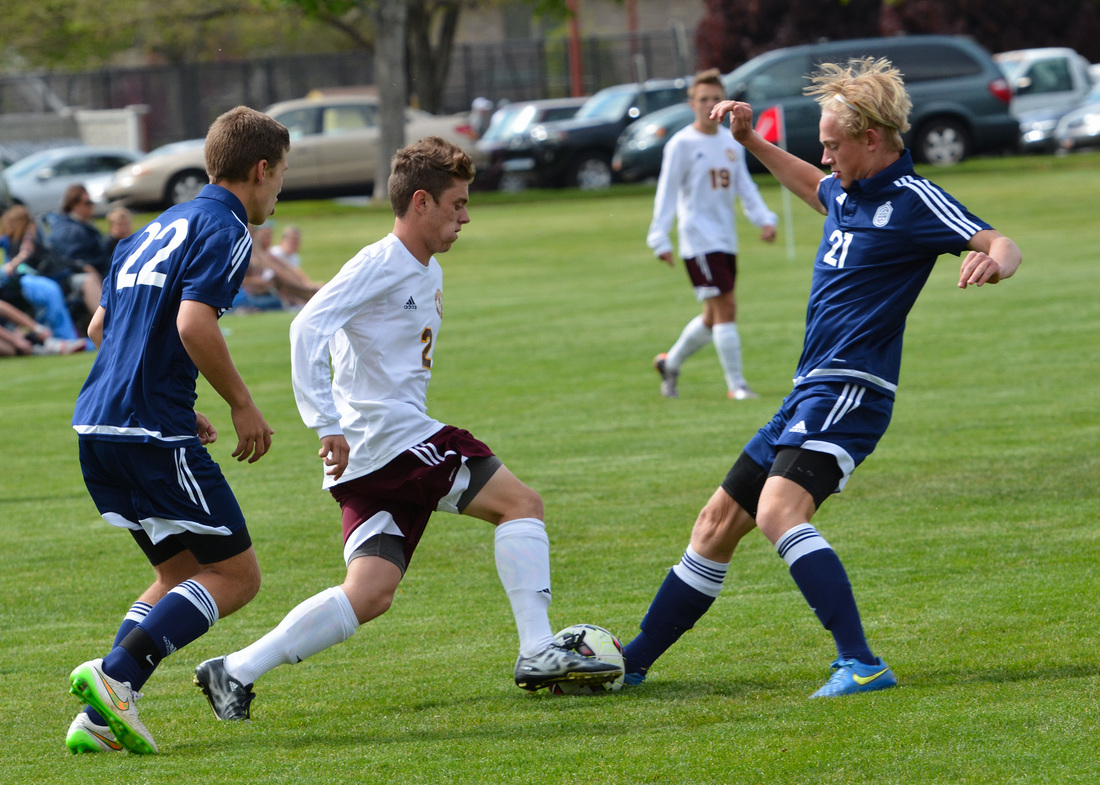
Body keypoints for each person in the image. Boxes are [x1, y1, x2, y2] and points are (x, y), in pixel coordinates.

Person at [621, 58, 1021, 698]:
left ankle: (861, 663)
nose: (825, 157)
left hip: (852, 390)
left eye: (833, 145)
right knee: (715, 522)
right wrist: (751, 142)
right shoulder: (844, 190)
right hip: (809, 389)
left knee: (779, 510)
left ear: (872, 139)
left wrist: (995, 261)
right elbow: (812, 184)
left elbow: (1000, 241)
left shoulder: (913, 200)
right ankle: (631, 663)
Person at [192, 136, 621, 723]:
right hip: (390, 439)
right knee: (521, 504)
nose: (465, 217)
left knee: (370, 592)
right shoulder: (383, 261)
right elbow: (307, 328)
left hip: (373, 455)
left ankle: (235, 670)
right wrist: (326, 422)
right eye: (457, 204)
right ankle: (537, 649)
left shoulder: (425, 268)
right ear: (421, 202)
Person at [65, 105, 290, 755]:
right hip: (150, 434)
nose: (279, 192)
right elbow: (194, 323)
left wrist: (164, 392)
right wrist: (241, 403)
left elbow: (100, 328)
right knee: (237, 576)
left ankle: (101, 718)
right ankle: (116, 676)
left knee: (178, 572)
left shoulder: (152, 228)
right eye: (281, 176)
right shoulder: (228, 227)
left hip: (98, 423)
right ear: (261, 169)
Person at [647, 68, 777, 401]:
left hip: (725, 238)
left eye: (716, 98)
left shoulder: (731, 140)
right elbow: (666, 193)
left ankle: (669, 363)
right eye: (703, 99)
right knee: (726, 306)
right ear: (692, 104)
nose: (710, 104)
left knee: (712, 316)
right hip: (698, 239)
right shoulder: (681, 144)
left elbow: (744, 184)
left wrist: (763, 218)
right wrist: (659, 237)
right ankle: (737, 386)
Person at [0, 205, 102, 333]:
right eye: (31, 221)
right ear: (24, 224)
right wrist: (24, 255)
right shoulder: (20, 246)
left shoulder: (33, 242)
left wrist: (82, 266)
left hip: (60, 277)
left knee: (91, 278)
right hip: (51, 282)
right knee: (88, 281)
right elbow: (23, 271)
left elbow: (59, 258)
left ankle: (104, 325)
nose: (34, 225)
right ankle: (105, 325)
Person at [47, 185, 114, 277]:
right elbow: (75, 262)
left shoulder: (83, 224)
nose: (92, 205)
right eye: (88, 202)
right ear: (74, 205)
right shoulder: (69, 231)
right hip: (93, 277)